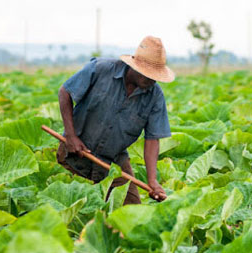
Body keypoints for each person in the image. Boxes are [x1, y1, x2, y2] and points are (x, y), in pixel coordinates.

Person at [57, 36, 174, 204]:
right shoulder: (100, 70)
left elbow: (152, 139)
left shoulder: (154, 96)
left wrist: (152, 180)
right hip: (75, 153)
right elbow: (65, 92)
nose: (152, 80)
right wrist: (70, 135)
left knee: (131, 210)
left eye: (156, 76)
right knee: (76, 205)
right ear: (135, 67)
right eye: (149, 75)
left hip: (113, 160)